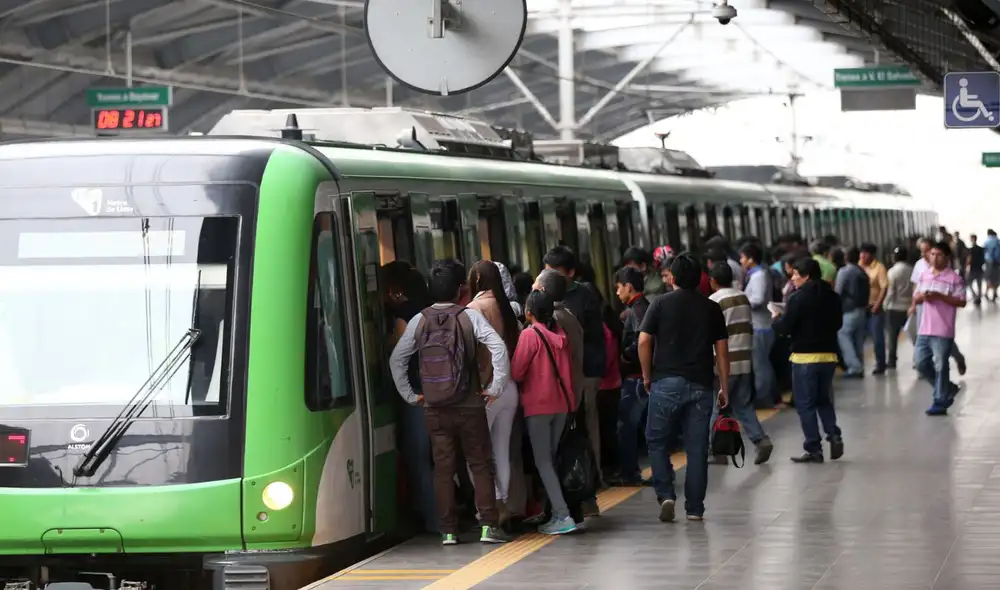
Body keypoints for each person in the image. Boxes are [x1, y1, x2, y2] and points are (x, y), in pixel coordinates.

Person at [389, 259, 512, 545]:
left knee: (443, 467)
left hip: (435, 407)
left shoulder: (419, 320)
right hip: (469, 404)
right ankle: (487, 527)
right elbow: (497, 347)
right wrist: (495, 385)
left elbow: (397, 360)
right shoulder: (469, 317)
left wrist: (410, 394)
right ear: (460, 290)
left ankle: (448, 531)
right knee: (480, 464)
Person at [638, 253, 730, 523]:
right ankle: (695, 509)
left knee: (657, 441)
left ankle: (666, 494)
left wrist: (647, 375)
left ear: (673, 278)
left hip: (665, 382)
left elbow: (644, 341)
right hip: (701, 385)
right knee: (697, 447)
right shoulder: (711, 308)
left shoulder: (660, 304)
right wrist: (724, 386)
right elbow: (722, 352)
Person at [510, 290, 579, 535]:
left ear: (529, 313)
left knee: (543, 462)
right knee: (549, 459)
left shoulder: (530, 335)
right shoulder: (560, 334)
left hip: (538, 406)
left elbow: (517, 372)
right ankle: (555, 512)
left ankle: (562, 515)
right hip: (561, 404)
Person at [543, 246, 607, 491]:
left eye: (555, 274)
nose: (549, 279)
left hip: (585, 371)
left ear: (571, 272)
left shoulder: (584, 294)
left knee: (587, 426)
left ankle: (592, 476)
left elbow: (590, 335)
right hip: (560, 375)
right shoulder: (546, 297)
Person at [382, 261, 437, 533]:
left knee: (418, 459)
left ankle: (434, 520)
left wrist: (406, 394)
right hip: (439, 392)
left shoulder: (404, 315)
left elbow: (397, 355)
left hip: (417, 396)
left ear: (394, 289)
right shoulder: (430, 311)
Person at [772, 257, 844, 463]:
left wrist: (776, 320)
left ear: (807, 276)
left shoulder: (798, 298)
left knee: (805, 404)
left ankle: (814, 447)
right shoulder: (833, 296)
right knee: (823, 399)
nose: (792, 278)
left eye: (795, 274)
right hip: (829, 356)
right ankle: (834, 434)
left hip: (804, 358)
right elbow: (838, 324)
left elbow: (785, 328)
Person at [466, 261, 522, 526]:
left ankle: (489, 508)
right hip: (510, 389)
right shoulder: (509, 308)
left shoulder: (474, 309)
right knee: (501, 449)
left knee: (476, 452)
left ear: (476, 279)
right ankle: (503, 500)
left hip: (486, 390)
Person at [707, 263, 773, 465]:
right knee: (743, 405)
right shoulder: (743, 297)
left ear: (713, 281)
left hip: (724, 364)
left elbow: (712, 333)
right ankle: (761, 440)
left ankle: (716, 451)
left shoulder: (714, 301)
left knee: (716, 408)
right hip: (744, 359)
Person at [911, 242, 966, 416]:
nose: (934, 258)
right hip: (924, 329)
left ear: (947, 257)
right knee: (921, 363)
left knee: (941, 365)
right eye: (932, 254)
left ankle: (940, 401)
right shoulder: (925, 275)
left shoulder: (954, 279)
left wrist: (940, 296)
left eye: (939, 255)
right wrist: (920, 297)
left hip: (943, 329)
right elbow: (917, 295)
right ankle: (947, 388)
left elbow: (962, 301)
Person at [612, 266, 651, 485]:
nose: (617, 293)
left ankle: (629, 473)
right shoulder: (644, 307)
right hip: (642, 376)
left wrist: (625, 358)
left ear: (628, 287)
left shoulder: (636, 311)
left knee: (626, 426)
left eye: (619, 288)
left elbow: (640, 343)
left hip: (636, 377)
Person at [739, 242, 778, 406]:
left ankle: (764, 397)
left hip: (760, 325)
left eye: (742, 258)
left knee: (760, 365)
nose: (740, 261)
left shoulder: (759, 275)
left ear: (750, 259)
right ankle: (770, 395)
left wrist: (741, 299)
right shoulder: (756, 275)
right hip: (759, 324)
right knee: (763, 363)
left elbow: (758, 299)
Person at [835, 247, 869, 379]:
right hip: (862, 310)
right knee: (858, 339)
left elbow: (838, 292)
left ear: (846, 257)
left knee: (843, 335)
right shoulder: (862, 271)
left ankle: (855, 366)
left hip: (849, 310)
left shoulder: (844, 271)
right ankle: (859, 365)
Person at [860, 243, 889, 375]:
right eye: (862, 253)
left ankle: (880, 363)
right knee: (859, 338)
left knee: (877, 337)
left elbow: (884, 287)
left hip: (874, 308)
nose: (863, 256)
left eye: (866, 253)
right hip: (861, 307)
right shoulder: (859, 266)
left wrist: (878, 304)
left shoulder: (879, 268)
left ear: (872, 255)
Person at [884, 247, 913, 370]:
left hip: (894, 308)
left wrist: (885, 304)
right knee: (913, 335)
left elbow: (891, 291)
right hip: (909, 307)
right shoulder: (912, 270)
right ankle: (918, 359)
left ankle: (892, 360)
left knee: (892, 336)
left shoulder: (892, 272)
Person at [967, 233, 985, 304]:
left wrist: (967, 266)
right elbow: (983, 259)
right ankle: (978, 298)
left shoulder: (970, 250)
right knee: (979, 284)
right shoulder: (981, 249)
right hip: (979, 268)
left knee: (969, 283)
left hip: (973, 268)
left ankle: (975, 296)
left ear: (972, 239)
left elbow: (969, 259)